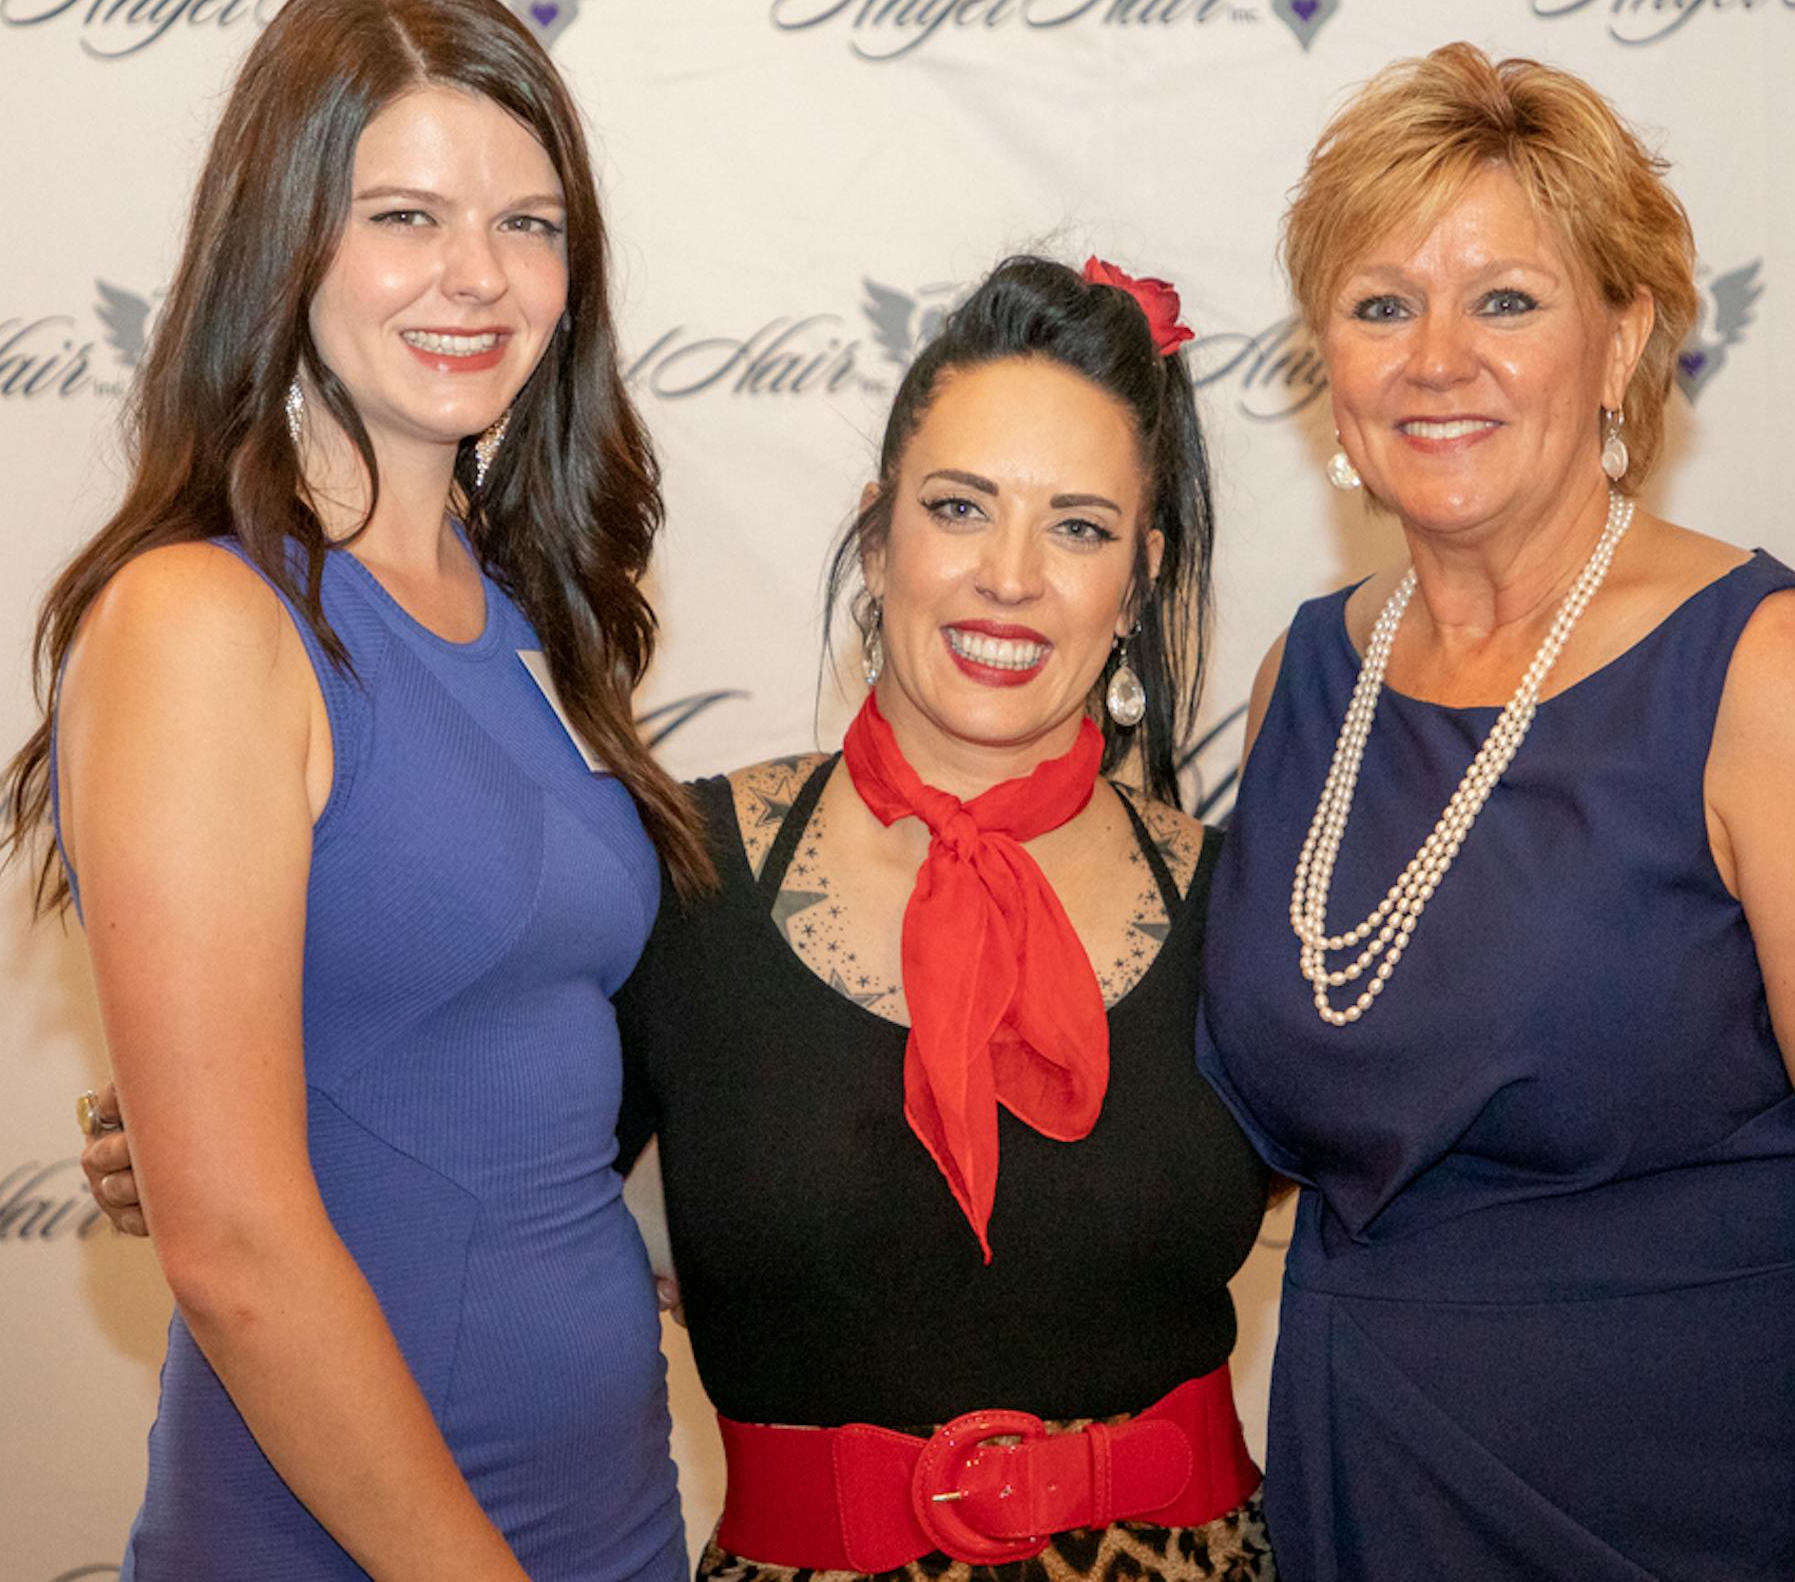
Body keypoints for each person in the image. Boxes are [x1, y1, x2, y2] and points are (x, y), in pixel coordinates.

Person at [87, 254, 1279, 1581]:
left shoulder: (1249, 908)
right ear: (880, 536)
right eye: (959, 507)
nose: (1009, 575)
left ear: (1141, 573)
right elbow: (475, 1125)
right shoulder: (678, 871)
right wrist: (207, 1130)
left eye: (1077, 526)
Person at [1195, 42, 1795, 1581]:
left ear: (1625, 338)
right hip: (1369, 1503)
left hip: (1704, 1521)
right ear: (1329, 361)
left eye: (1507, 299)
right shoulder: (1306, 679)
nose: (1438, 356)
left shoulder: (1772, 672)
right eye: (1383, 304)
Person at [6, 0, 707, 1581]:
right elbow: (239, 1245)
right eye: (406, 216)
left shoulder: (534, 605)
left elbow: (500, 1062)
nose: (480, 277)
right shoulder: (202, 618)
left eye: (530, 226)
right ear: (286, 238)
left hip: (607, 1519)